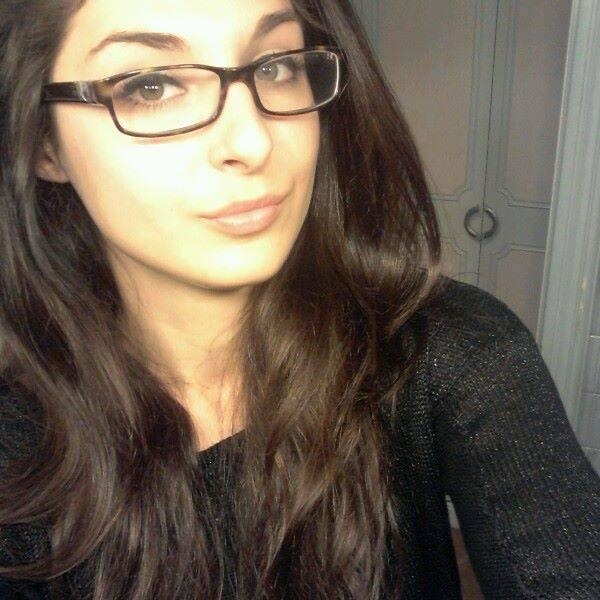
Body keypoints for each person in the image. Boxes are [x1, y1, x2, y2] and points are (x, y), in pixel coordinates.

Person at [0, 0, 598, 598]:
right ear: (42, 142)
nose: (252, 141)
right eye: (150, 86)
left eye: (276, 66)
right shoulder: (17, 435)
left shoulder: (448, 349)